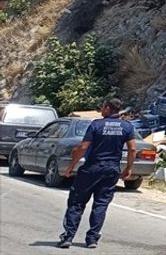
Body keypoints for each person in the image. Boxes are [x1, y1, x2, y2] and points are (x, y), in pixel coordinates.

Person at [58, 98, 136, 248]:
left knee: (76, 202)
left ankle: (68, 237)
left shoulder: (96, 124)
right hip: (111, 169)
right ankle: (92, 239)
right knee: (101, 204)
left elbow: (83, 147)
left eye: (103, 107)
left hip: (92, 168)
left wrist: (71, 166)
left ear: (108, 108)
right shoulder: (127, 126)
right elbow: (132, 149)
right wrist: (129, 167)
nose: (101, 110)